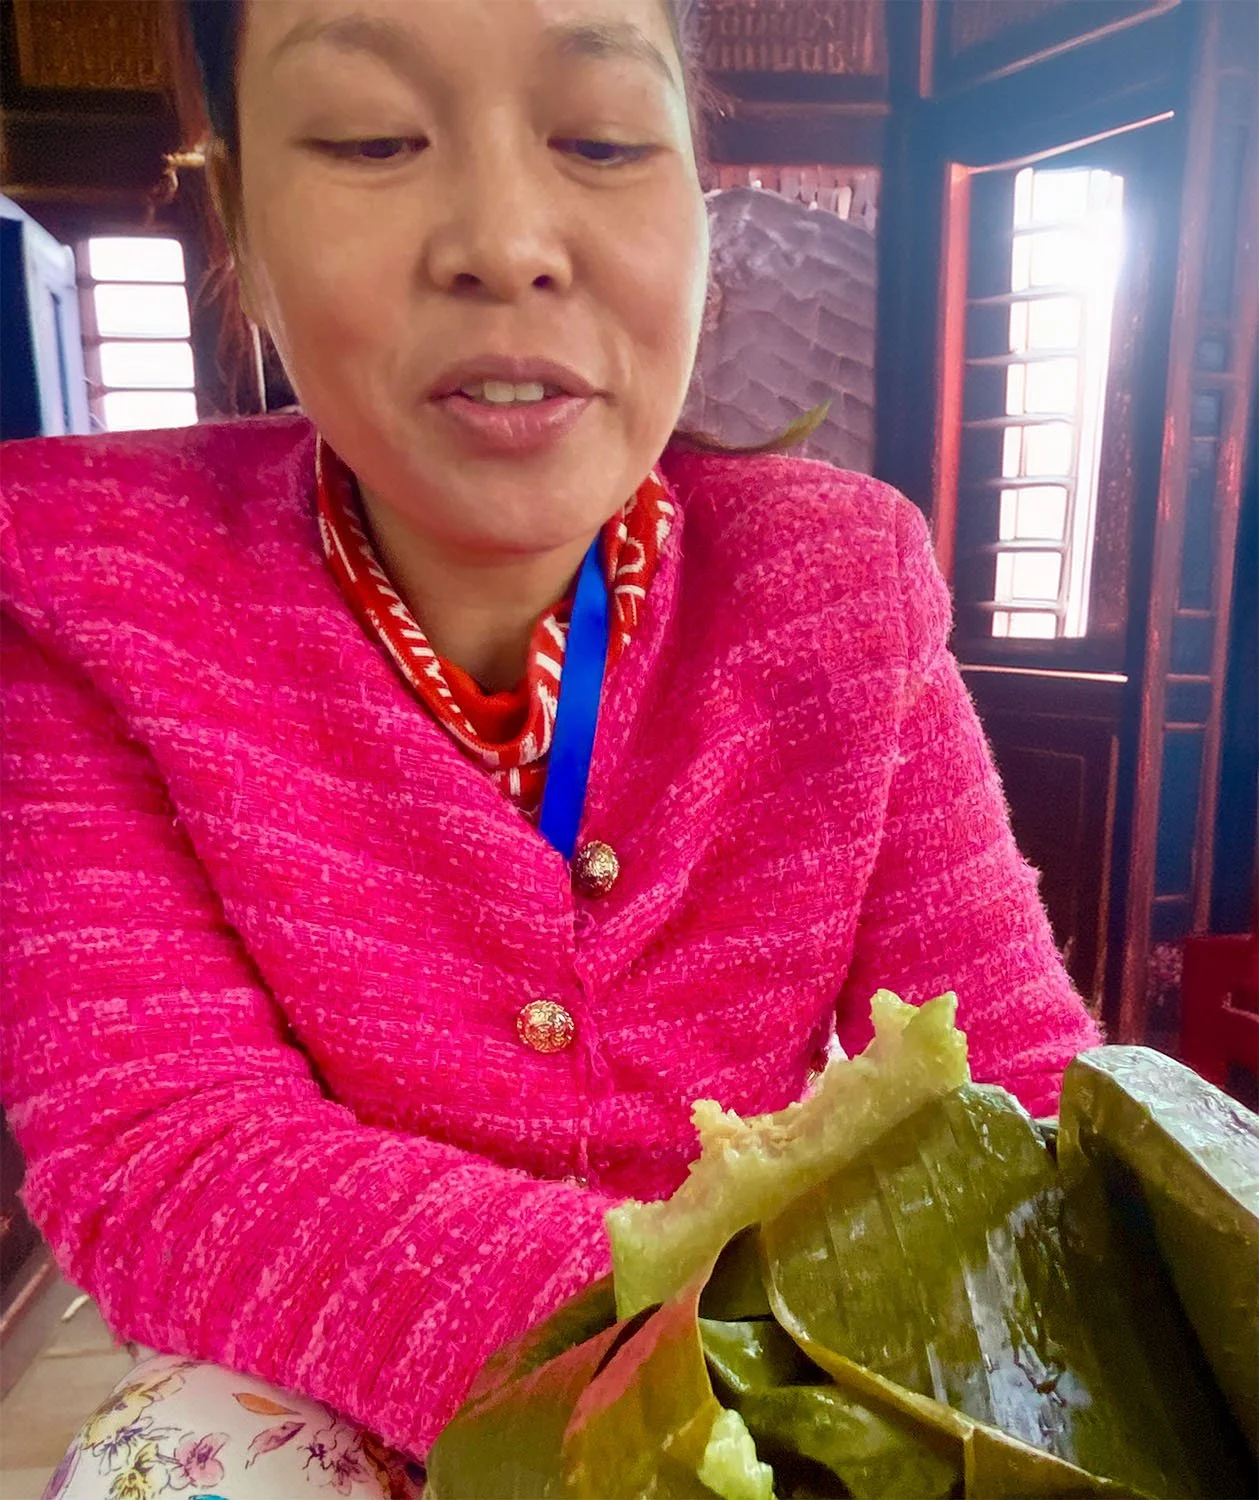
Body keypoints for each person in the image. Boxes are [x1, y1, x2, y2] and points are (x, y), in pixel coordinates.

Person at [0, 0, 1100, 1493]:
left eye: (597, 139)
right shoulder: (83, 588)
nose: (506, 240)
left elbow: (1013, 1063)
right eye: (371, 138)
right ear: (238, 213)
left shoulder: (839, 585)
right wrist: (722, 1354)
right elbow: (170, 1153)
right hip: (355, 1384)